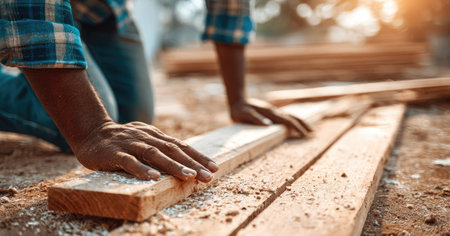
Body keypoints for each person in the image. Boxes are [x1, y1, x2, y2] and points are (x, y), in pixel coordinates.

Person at [0, 0, 312, 183]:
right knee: (89, 117)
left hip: (103, 8)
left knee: (132, 115)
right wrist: (93, 129)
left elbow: (229, 6)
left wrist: (238, 98)